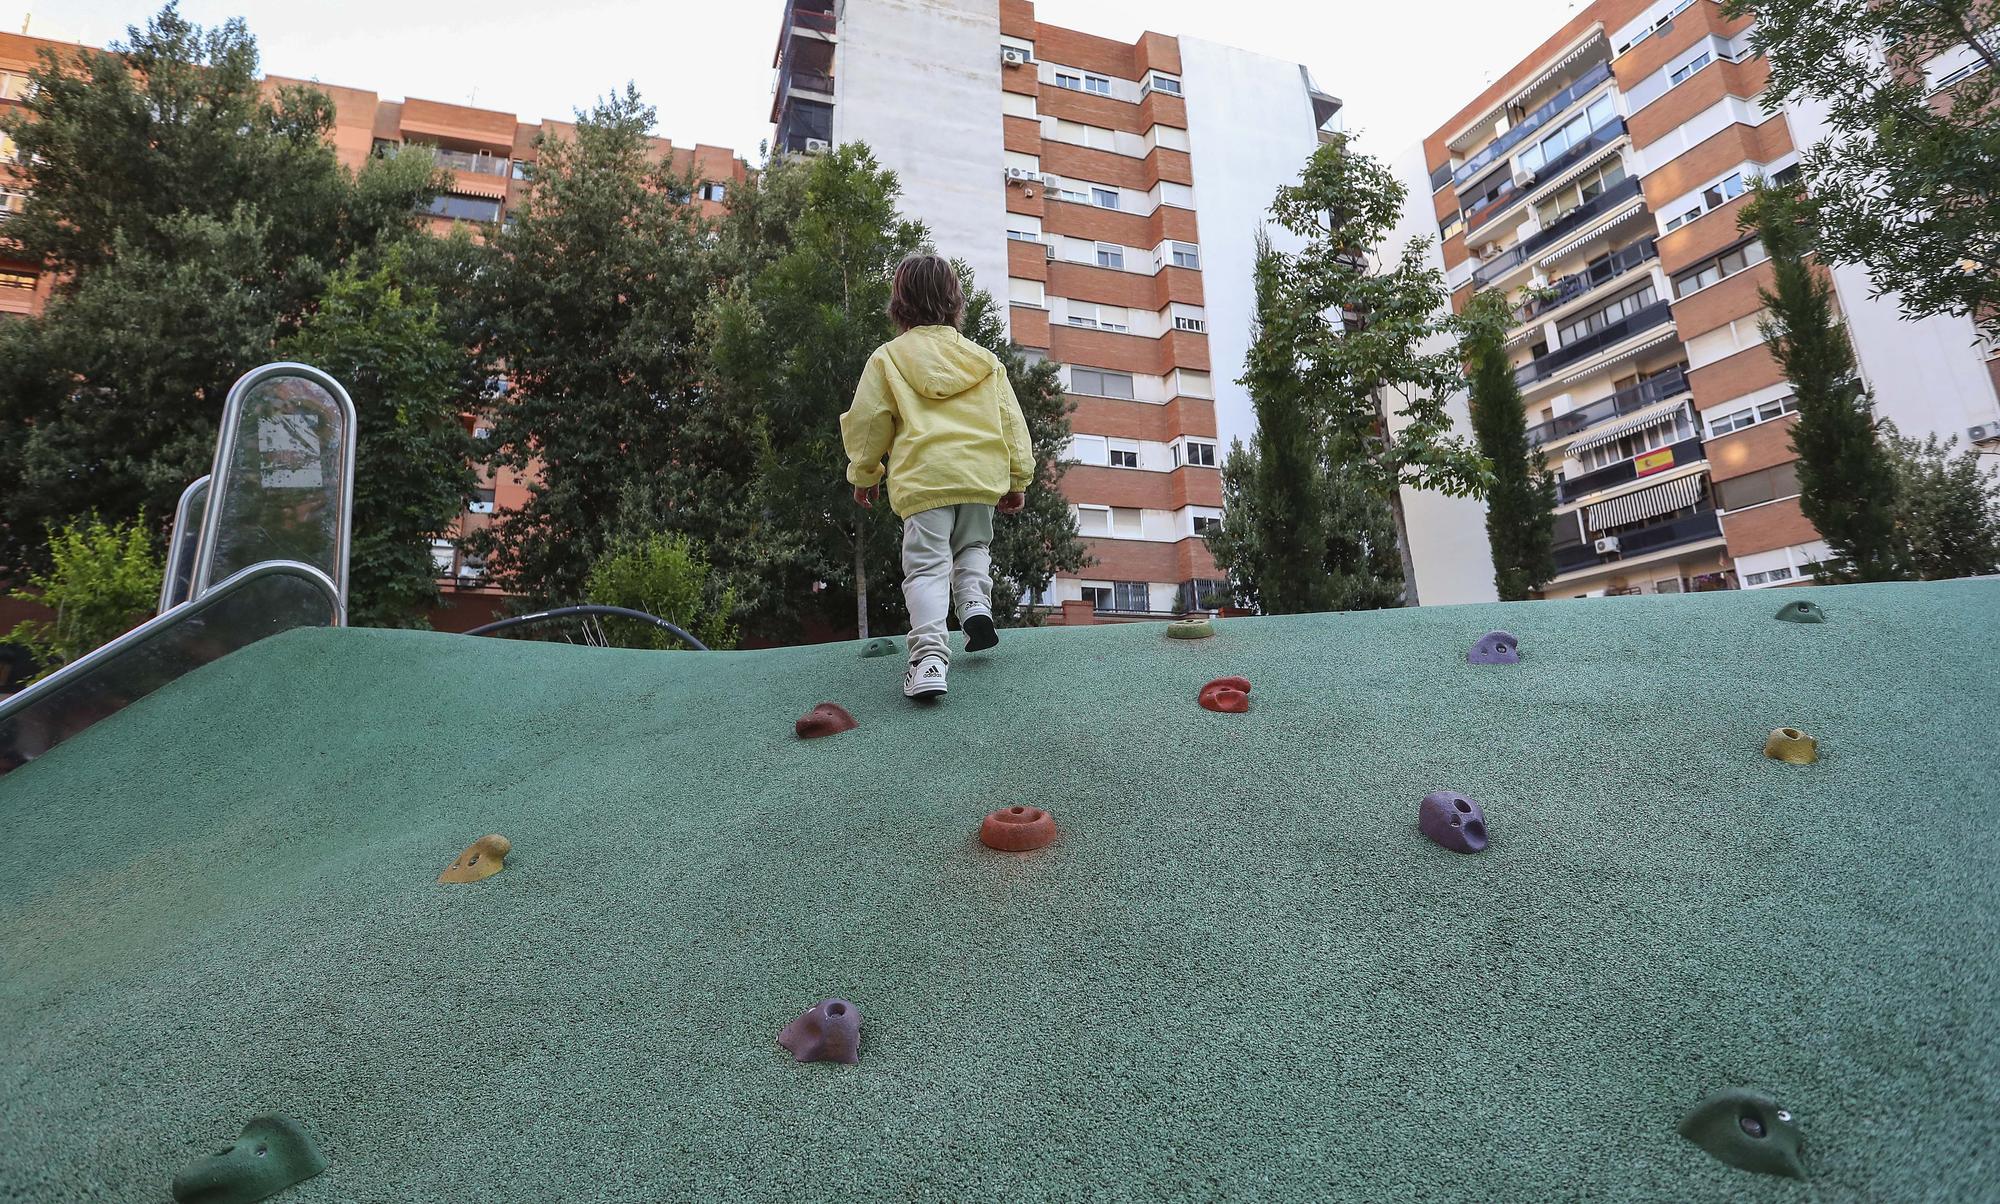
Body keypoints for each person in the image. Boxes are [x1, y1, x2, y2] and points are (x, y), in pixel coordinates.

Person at [840, 252, 1033, 701]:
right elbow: (1012, 423)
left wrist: (865, 473)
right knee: (973, 547)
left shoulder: (888, 359)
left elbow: (870, 422)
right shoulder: (984, 361)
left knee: (926, 567)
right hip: (979, 477)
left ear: (898, 304)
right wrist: (1017, 479)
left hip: (927, 480)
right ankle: (974, 606)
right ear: (955, 301)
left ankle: (928, 659)